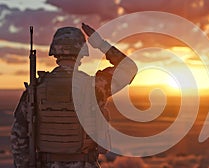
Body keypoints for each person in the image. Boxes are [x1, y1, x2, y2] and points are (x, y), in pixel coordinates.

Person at [10, 23, 138, 168]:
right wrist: (100, 43)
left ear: (55, 52)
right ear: (82, 53)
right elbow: (129, 68)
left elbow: (19, 136)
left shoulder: (36, 89)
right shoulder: (95, 86)